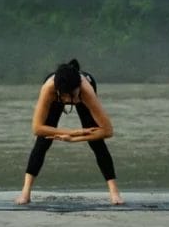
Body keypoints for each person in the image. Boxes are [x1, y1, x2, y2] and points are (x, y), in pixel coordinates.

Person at [14, 59, 123, 205]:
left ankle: (114, 192)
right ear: (58, 91)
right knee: (42, 141)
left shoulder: (86, 90)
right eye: (64, 96)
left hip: (82, 93)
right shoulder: (49, 89)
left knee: (97, 142)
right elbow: (37, 128)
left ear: (79, 88)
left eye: (71, 95)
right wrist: (75, 132)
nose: (68, 100)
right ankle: (25, 192)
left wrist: (73, 139)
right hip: (56, 95)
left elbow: (108, 131)